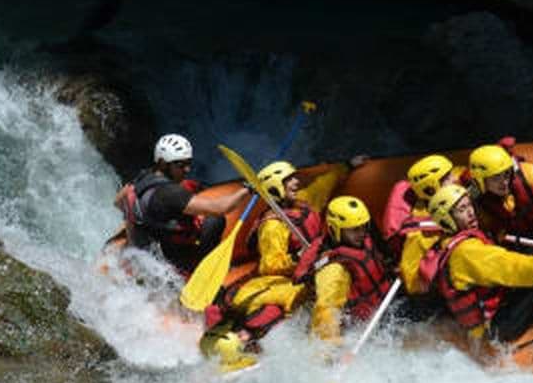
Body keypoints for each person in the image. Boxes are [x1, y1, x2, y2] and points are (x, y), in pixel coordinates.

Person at [201, 158, 363, 357]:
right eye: (289, 180)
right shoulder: (272, 226)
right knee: (280, 305)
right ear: (275, 187)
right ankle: (244, 339)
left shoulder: (305, 201)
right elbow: (271, 265)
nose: (296, 183)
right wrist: (299, 259)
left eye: (294, 178)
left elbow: (324, 184)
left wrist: (347, 166)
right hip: (283, 278)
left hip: (310, 267)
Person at [418, 184, 533, 344]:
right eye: (461, 210)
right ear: (446, 219)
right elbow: (521, 271)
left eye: (469, 205)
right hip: (499, 327)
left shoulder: (449, 243)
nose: (470, 212)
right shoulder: (466, 252)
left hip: (496, 313)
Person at [114, 134, 251, 274]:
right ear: (163, 163)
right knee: (214, 221)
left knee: (190, 189)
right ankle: (205, 270)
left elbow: (118, 202)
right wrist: (246, 190)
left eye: (188, 163)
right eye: (181, 165)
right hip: (170, 257)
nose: (187, 169)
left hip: (146, 248)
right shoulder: (171, 194)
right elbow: (220, 208)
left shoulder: (143, 178)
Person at [295, 195, 393, 351]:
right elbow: (326, 309)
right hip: (362, 325)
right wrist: (331, 347)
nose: (362, 233)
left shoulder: (360, 240)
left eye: (363, 226)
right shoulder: (334, 270)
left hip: (385, 304)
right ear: (335, 229)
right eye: (355, 229)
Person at [381, 154, 465, 296]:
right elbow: (412, 282)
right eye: (447, 178)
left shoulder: (451, 192)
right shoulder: (419, 235)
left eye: (450, 174)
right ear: (431, 189)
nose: (454, 179)